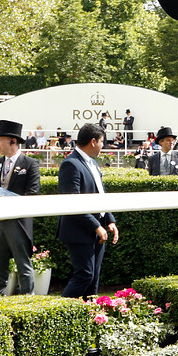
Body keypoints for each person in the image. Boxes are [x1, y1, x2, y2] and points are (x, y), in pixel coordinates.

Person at [57, 123, 118, 298]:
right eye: (101, 142)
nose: (103, 146)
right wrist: (95, 226)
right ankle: (63, 310)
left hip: (96, 230)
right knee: (85, 275)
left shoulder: (92, 163)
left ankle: (89, 317)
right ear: (93, 142)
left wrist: (110, 220)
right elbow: (72, 201)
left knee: (93, 278)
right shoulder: (71, 164)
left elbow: (100, 193)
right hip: (79, 230)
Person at [0, 120, 40, 295]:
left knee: (23, 266)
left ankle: (27, 302)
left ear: (13, 141)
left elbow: (33, 193)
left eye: (0, 140)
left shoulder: (30, 163)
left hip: (18, 222)